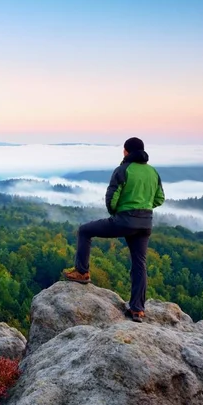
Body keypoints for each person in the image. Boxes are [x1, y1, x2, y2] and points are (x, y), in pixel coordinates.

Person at [63, 137, 165, 323]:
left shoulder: (123, 170)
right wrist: (143, 205)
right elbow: (159, 199)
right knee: (139, 264)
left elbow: (111, 199)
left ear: (126, 151)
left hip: (124, 220)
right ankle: (138, 310)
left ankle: (82, 272)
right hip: (145, 224)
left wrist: (119, 213)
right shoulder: (153, 172)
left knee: (85, 230)